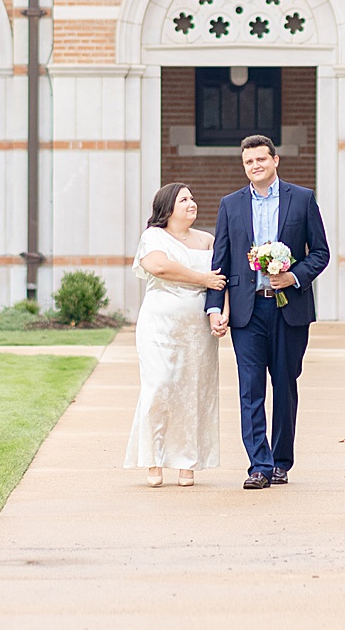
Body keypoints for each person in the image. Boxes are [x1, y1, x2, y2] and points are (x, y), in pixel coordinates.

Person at [206, 134, 331, 489]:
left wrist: (293, 276)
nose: (255, 166)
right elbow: (221, 262)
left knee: (285, 384)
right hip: (247, 312)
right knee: (250, 388)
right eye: (249, 161)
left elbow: (320, 252)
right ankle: (259, 465)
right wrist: (214, 307)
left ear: (275, 160)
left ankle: (281, 461)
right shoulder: (230, 205)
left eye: (261, 159)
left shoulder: (302, 199)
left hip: (289, 310)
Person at [124, 182, 227, 487]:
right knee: (159, 386)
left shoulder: (207, 240)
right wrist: (202, 278)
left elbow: (223, 279)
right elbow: (160, 267)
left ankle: (187, 462)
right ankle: (153, 460)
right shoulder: (153, 236)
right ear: (168, 207)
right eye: (184, 199)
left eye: (192, 198)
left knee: (194, 392)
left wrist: (222, 313)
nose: (191, 203)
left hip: (197, 330)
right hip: (159, 327)